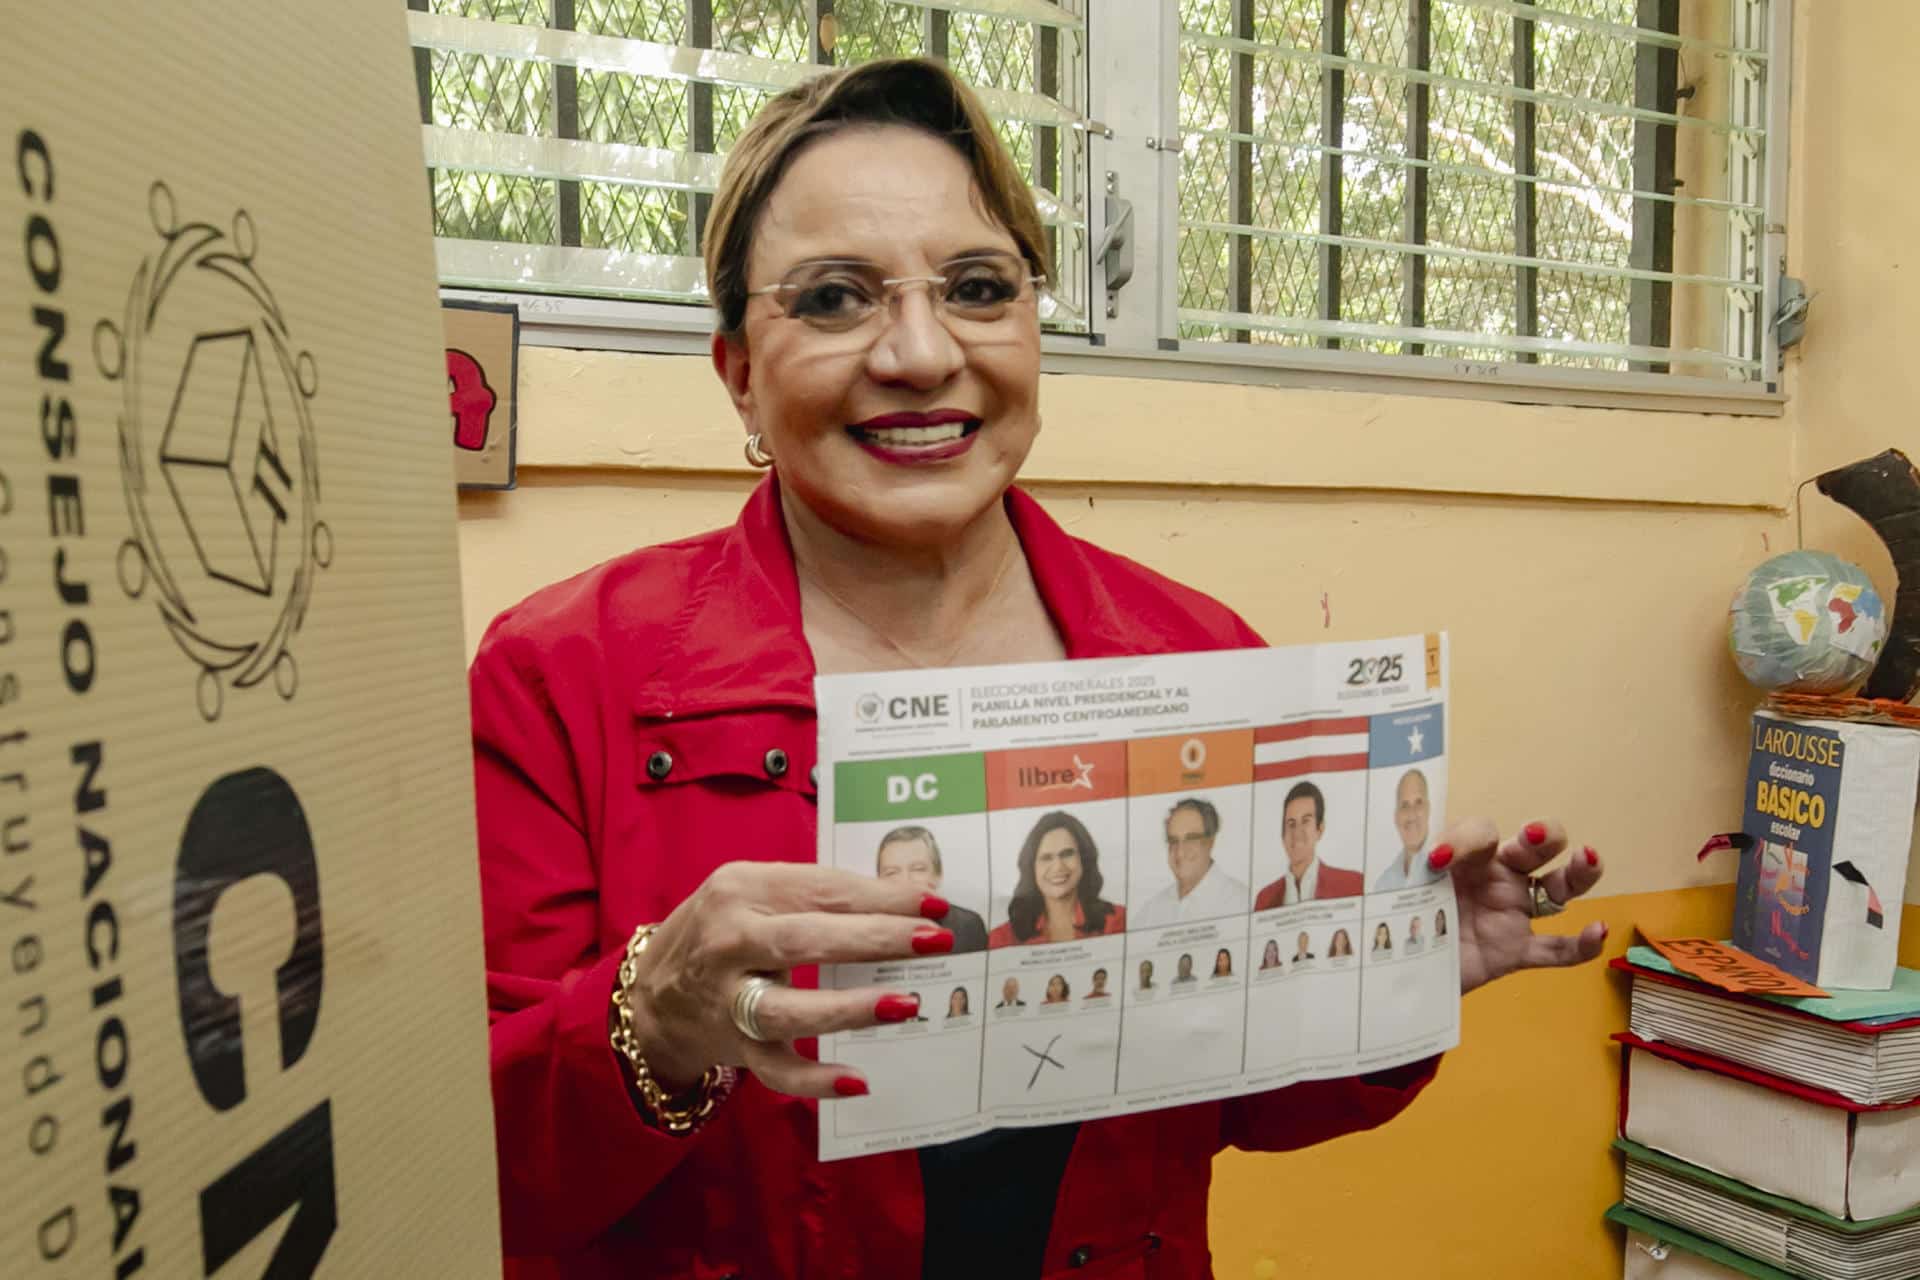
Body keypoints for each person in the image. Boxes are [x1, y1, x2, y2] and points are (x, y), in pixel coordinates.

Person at [474, 56, 1609, 1280]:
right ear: (740, 372)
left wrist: (1379, 984)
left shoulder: (1197, 657)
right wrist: (653, 1020)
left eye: (975, 287)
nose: (918, 353)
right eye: (835, 299)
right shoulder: (561, 673)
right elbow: (463, 1166)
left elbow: (1246, 1105)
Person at [989, 810, 1125, 946]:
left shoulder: (1119, 921)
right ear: (1032, 868)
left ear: (1084, 860)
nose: (1058, 867)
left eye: (1067, 854)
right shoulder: (1002, 938)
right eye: (1046, 858)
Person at [1133, 798, 1249, 927]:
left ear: (1210, 842)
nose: (1180, 852)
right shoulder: (1152, 910)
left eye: (1191, 839)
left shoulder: (1240, 902)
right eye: (1173, 841)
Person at [876, 825, 988, 953]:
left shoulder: (968, 925)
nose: (905, 882)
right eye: (891, 872)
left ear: (938, 875)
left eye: (918, 869)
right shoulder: (870, 930)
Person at [1253, 781, 1362, 909]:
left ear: (1320, 829)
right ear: (1283, 835)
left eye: (1305, 821)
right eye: (1291, 823)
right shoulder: (1264, 899)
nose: (1297, 832)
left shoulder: (1353, 885)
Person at [1373, 769, 1440, 892]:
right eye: (1405, 805)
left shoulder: (1445, 871)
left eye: (1418, 803)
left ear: (1428, 809)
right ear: (1396, 817)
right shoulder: (1383, 884)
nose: (1412, 815)